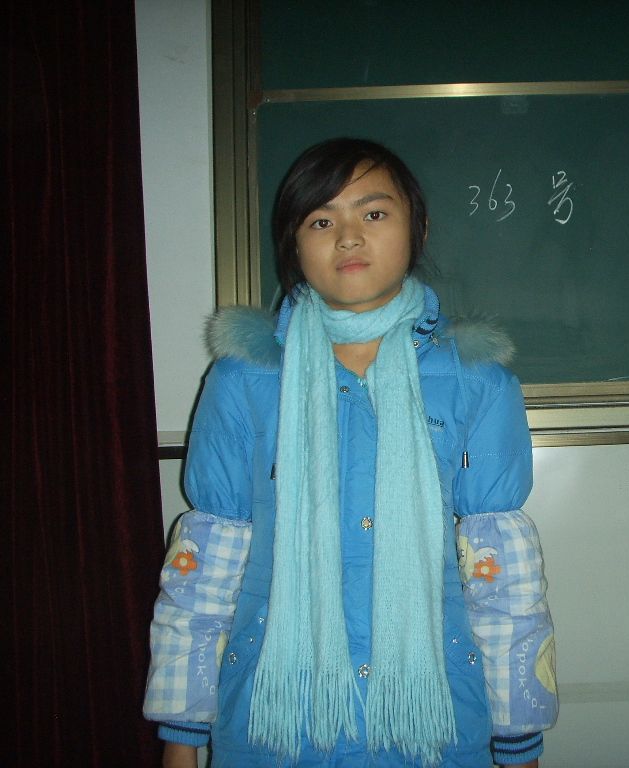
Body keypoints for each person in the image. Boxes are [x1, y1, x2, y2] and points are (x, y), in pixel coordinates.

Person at [143, 138, 558, 767]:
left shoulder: (476, 382)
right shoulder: (245, 380)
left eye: (374, 212)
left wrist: (520, 743)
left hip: (436, 723)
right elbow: (202, 576)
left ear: (416, 228)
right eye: (320, 220)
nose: (348, 237)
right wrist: (179, 744)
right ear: (294, 244)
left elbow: (506, 587)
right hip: (273, 723)